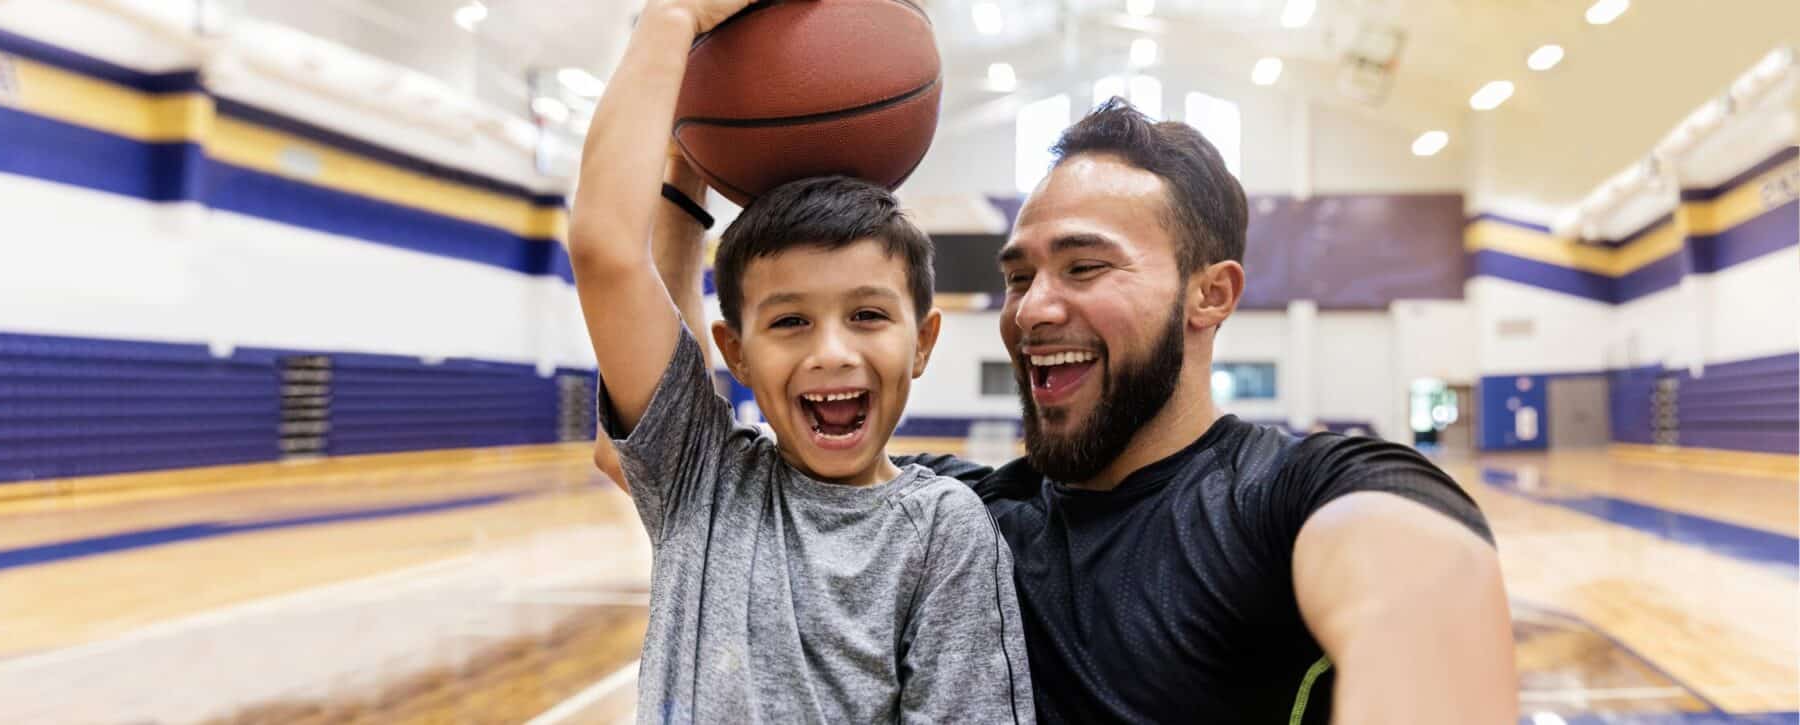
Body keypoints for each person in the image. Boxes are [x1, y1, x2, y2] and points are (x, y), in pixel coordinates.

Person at [602, 98, 1517, 724]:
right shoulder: (962, 514)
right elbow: (672, 434)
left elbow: (1422, 582)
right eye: (1018, 275)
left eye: (1084, 267)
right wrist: (690, 194)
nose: (1033, 307)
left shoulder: (1291, 494)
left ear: (1211, 294)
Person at [567, 1, 1034, 722]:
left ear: (924, 341)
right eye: (789, 321)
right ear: (735, 354)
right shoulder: (704, 482)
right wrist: (674, 24)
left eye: (868, 315)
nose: (831, 351)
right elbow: (606, 249)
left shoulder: (945, 529)